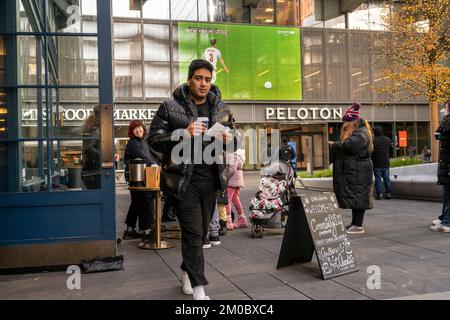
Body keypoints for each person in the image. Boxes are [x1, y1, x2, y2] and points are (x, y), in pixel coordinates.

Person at [149, 59, 236, 300]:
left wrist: (231, 140)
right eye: (199, 78)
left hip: (212, 180)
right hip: (184, 181)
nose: (203, 84)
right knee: (193, 232)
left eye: (208, 79)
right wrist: (181, 134)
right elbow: (154, 140)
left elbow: (235, 139)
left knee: (201, 233)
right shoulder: (170, 106)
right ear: (190, 79)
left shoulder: (222, 108)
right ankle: (199, 289)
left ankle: (188, 272)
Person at [329, 102, 374, 235]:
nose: (344, 126)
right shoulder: (361, 131)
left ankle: (358, 225)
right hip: (357, 170)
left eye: (346, 124)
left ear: (352, 122)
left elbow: (350, 146)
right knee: (356, 197)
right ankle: (355, 223)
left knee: (359, 197)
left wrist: (335, 145)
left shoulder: (361, 133)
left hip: (359, 170)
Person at [123, 120, 156, 241]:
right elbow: (143, 156)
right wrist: (153, 164)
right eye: (135, 128)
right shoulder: (133, 143)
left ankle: (129, 229)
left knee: (136, 203)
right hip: (138, 178)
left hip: (138, 177)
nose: (138, 130)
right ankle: (146, 231)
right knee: (144, 202)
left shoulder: (142, 141)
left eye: (140, 127)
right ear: (132, 132)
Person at [431, 100, 450, 233]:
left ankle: (447, 222)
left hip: (448, 164)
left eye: (446, 107)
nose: (444, 109)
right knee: (447, 194)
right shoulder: (447, 121)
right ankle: (445, 218)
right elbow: (440, 132)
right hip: (446, 163)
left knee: (449, 194)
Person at [226, 148, 247, 230]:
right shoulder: (239, 153)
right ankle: (242, 219)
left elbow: (232, 169)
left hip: (232, 180)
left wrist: (224, 177)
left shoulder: (232, 154)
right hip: (238, 178)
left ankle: (228, 221)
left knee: (228, 200)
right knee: (235, 199)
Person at [81, 105, 101, 189]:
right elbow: (88, 148)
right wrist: (104, 156)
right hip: (94, 172)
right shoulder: (94, 130)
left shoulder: (93, 129)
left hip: (93, 171)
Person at [372, 126, 392, 200]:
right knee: (387, 178)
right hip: (386, 162)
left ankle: (379, 194)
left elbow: (372, 152)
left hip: (377, 163)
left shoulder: (373, 140)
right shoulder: (387, 139)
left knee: (378, 179)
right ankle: (388, 193)